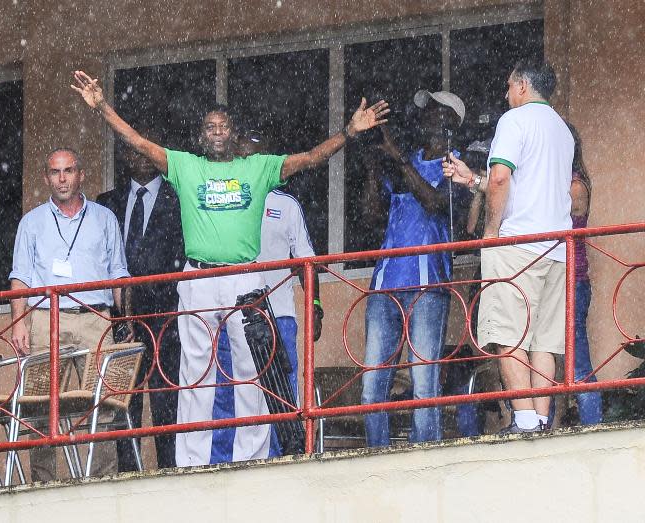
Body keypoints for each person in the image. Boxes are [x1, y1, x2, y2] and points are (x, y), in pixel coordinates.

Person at [71, 69, 388, 466]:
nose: (216, 131)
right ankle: (191, 461)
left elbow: (310, 159)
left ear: (233, 134)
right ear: (201, 136)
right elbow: (136, 141)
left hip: (244, 278)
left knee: (249, 372)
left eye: (223, 126)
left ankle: (250, 457)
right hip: (199, 277)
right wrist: (101, 106)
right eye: (210, 126)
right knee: (196, 373)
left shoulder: (257, 168)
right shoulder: (185, 166)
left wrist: (349, 132)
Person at [443, 60, 573, 433]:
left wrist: (491, 232)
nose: (504, 95)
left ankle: (524, 418)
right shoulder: (562, 130)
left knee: (507, 335)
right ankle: (541, 419)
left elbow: (502, 178)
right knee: (544, 341)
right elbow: (515, 185)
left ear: (521, 85)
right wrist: (472, 181)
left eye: (507, 86)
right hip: (557, 249)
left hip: (517, 246)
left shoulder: (513, 121)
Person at [9, 148, 129, 481]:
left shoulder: (105, 217)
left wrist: (125, 318)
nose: (62, 179)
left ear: (81, 174)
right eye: (54, 172)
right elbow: (20, 276)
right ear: (46, 177)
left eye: (68, 171)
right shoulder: (31, 222)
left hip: (96, 317)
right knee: (41, 407)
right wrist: (20, 324)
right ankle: (43, 484)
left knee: (103, 403)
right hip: (48, 317)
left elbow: (119, 273)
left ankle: (104, 480)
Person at [360, 89, 465, 445]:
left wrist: (397, 157)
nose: (425, 115)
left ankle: (426, 460)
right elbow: (371, 216)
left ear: (451, 120)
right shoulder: (406, 159)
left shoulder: (459, 165)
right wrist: (375, 167)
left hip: (427, 286)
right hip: (385, 283)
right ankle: (378, 458)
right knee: (372, 386)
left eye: (434, 110)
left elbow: (436, 203)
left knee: (424, 384)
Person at [211, 131, 323, 462]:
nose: (248, 163)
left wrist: (315, 305)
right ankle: (220, 466)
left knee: (280, 393)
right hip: (232, 315)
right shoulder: (224, 199)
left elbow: (306, 262)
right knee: (226, 390)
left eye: (254, 157)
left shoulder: (285, 205)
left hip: (280, 314)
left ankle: (281, 462)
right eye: (241, 156)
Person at [97, 133, 185, 470]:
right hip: (121, 320)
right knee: (122, 404)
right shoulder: (106, 203)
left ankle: (168, 473)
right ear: (122, 155)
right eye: (131, 149)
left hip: (167, 316)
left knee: (167, 402)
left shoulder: (178, 197)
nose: (140, 155)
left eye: (146, 148)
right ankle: (128, 475)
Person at [565, 122, 603, 425]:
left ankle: (593, 428)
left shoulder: (574, 185)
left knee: (578, 366)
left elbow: (561, 227)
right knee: (551, 363)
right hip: (562, 280)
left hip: (572, 281)